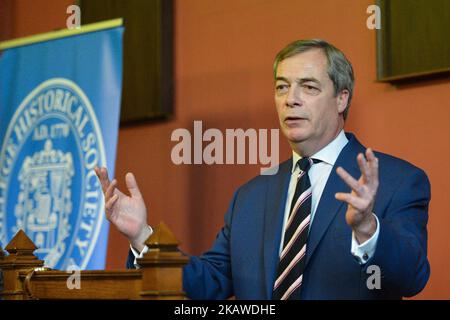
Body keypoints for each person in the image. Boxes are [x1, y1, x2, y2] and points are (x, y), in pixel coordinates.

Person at [95, 39, 430, 300]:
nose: (291, 99)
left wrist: (368, 228)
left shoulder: (398, 181)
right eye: (282, 87)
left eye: (308, 87)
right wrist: (141, 236)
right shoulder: (250, 197)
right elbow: (208, 285)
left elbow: (412, 279)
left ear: (342, 98)